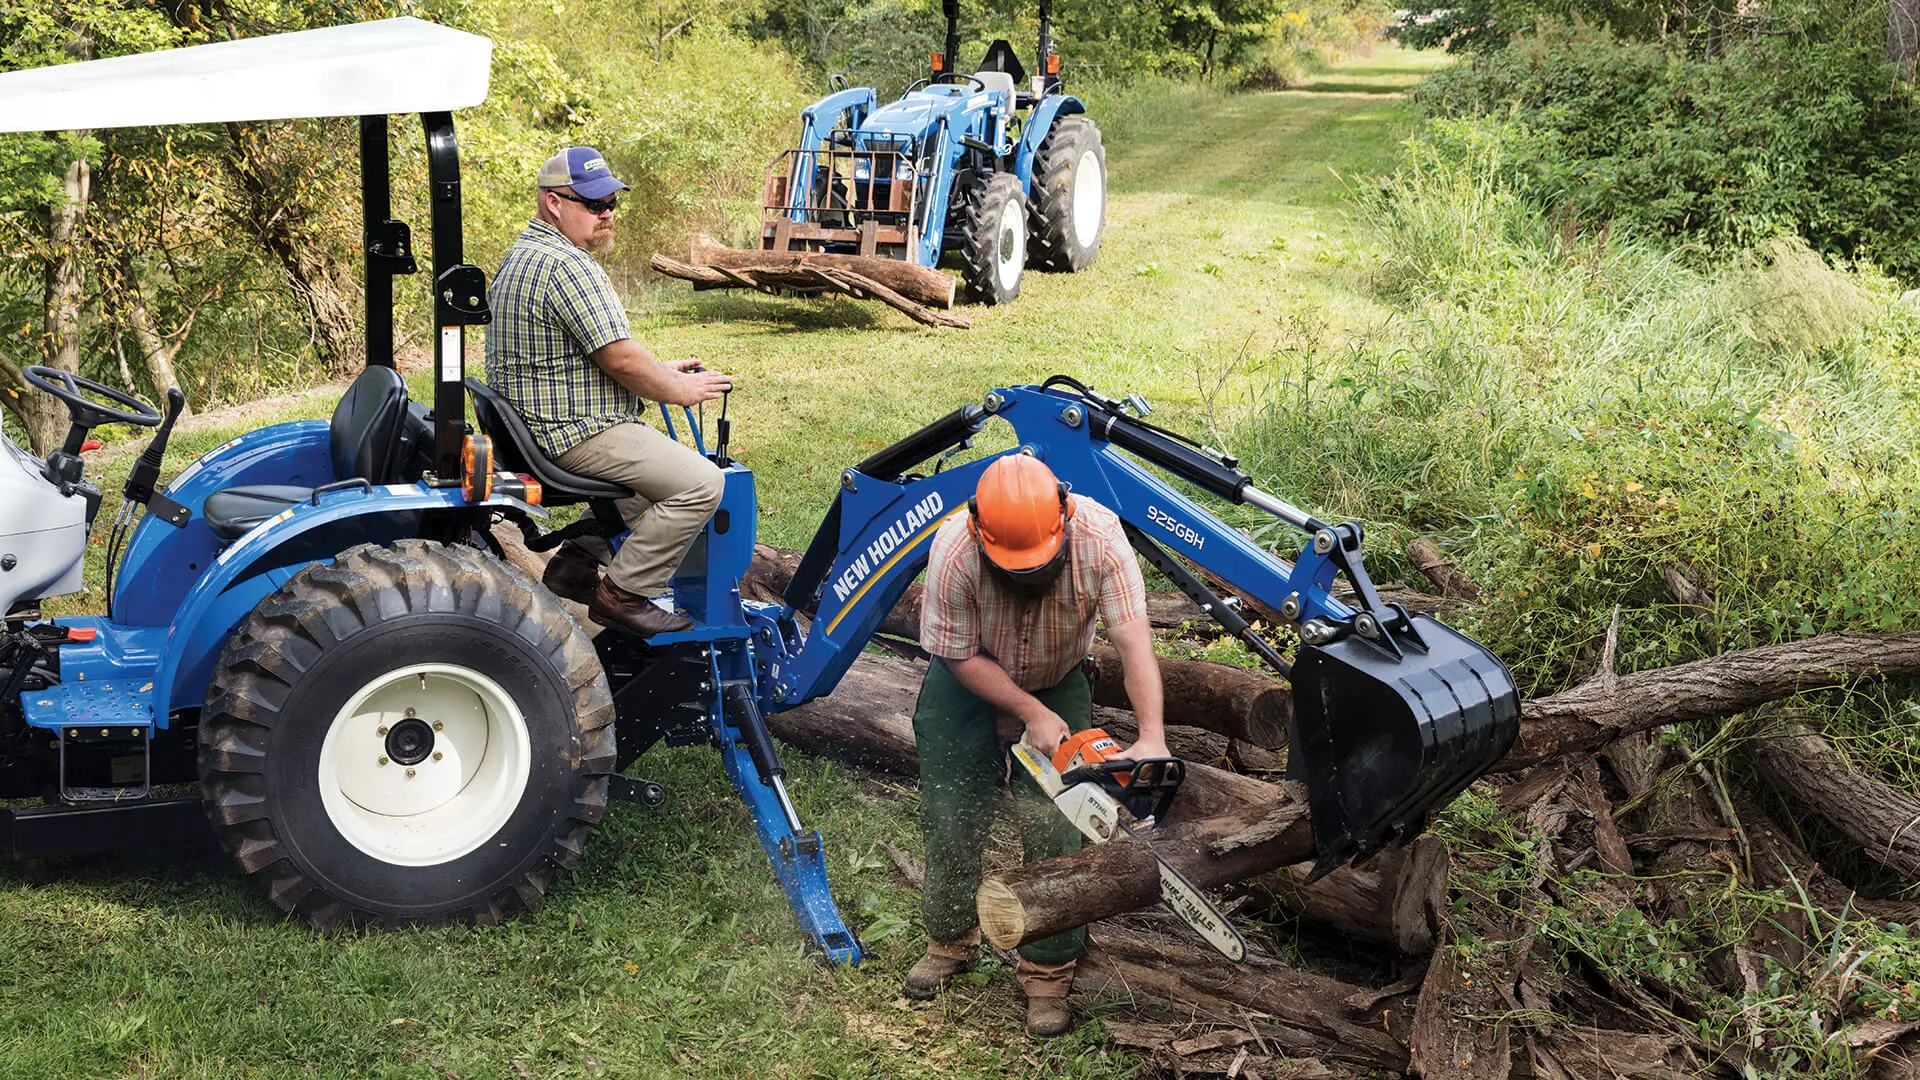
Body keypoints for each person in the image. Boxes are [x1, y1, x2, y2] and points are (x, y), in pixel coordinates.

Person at [906, 452, 1169, 1037]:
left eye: (1037, 565)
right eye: (1014, 567)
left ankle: (1048, 971)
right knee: (951, 811)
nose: (1027, 575)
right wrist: (1025, 710)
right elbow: (954, 652)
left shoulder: (1101, 539)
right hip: (968, 677)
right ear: (980, 530)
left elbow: (1134, 647)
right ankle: (949, 941)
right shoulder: (954, 547)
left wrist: (1151, 736)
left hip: (1059, 673)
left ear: (1064, 519)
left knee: (1056, 825)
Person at [485, 146, 733, 636]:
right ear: (554, 203)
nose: (607, 216)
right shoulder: (566, 266)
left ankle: (575, 563)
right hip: (572, 432)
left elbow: (567, 357)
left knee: (660, 467)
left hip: (540, 421)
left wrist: (659, 370)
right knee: (702, 483)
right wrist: (679, 388)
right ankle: (624, 594)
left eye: (611, 204)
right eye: (594, 205)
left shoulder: (523, 254)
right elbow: (619, 358)